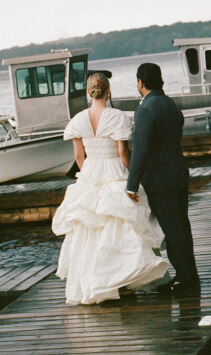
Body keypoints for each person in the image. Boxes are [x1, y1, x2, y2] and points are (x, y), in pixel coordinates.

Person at [52, 72, 170, 305]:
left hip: (90, 171)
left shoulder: (77, 120)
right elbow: (123, 152)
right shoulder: (117, 117)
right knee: (120, 225)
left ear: (89, 92)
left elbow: (78, 155)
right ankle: (122, 281)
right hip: (114, 170)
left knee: (91, 229)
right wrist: (130, 176)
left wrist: (89, 174)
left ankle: (95, 282)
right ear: (109, 91)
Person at [126, 62, 200, 292]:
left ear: (140, 82)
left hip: (160, 179)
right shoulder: (170, 104)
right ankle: (190, 271)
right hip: (178, 172)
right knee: (182, 225)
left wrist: (132, 184)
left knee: (172, 228)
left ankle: (184, 276)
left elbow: (140, 150)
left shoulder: (146, 109)